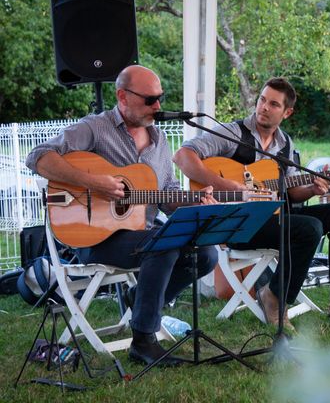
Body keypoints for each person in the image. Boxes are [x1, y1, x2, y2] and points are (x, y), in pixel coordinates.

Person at [25, 65, 218, 366]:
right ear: (122, 96)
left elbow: (166, 195)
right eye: (149, 99)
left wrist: (193, 200)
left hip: (144, 233)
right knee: (164, 242)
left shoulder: (159, 139)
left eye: (160, 98)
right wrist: (92, 182)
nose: (157, 106)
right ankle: (143, 341)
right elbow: (37, 156)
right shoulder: (94, 128)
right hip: (95, 238)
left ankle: (139, 299)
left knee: (206, 254)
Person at [174, 77, 330, 330]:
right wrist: (226, 185)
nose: (264, 107)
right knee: (308, 228)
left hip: (271, 218)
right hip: (237, 222)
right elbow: (182, 156)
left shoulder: (285, 145)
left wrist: (311, 188)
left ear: (287, 112)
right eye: (262, 100)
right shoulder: (233, 133)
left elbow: (290, 192)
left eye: (273, 104)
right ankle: (274, 296)